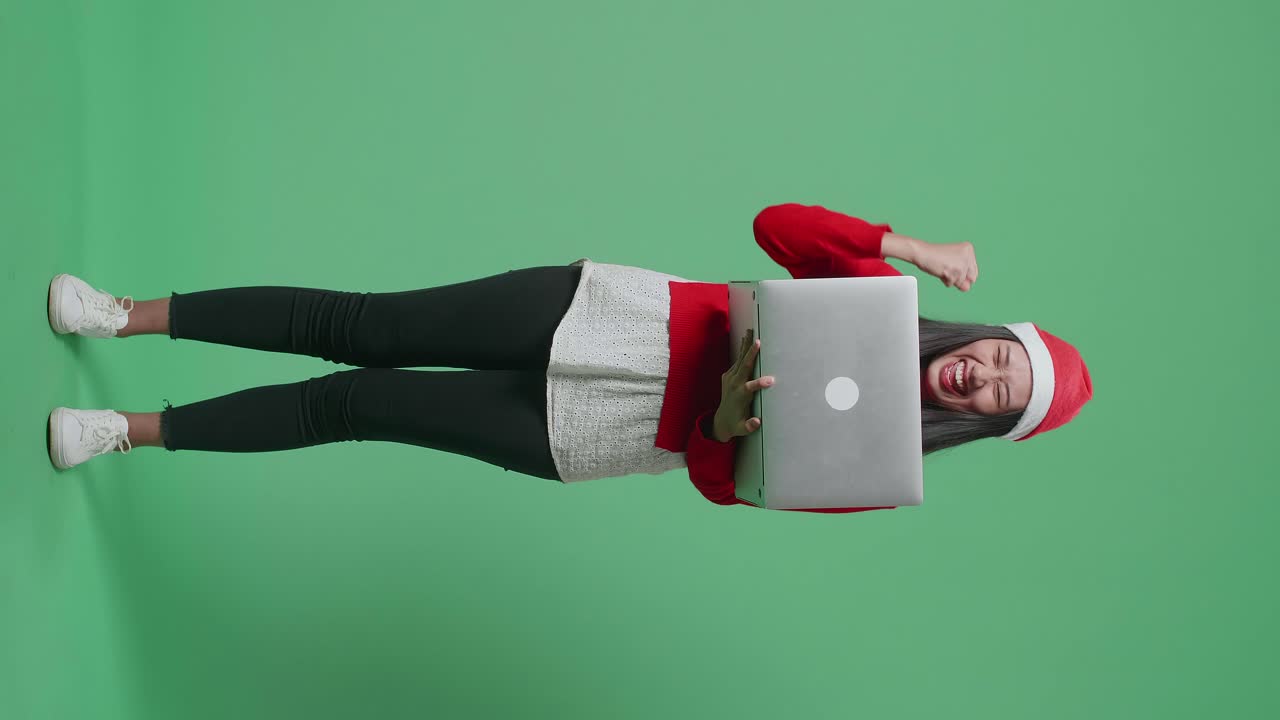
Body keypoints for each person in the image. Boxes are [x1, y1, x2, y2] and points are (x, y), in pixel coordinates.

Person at [46, 203, 1093, 514]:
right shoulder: (876, 297)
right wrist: (906, 246)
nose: (982, 379)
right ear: (990, 338)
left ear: (987, 421)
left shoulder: (881, 469)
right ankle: (122, 316)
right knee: (359, 324)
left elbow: (722, 486)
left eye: (1000, 399)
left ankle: (126, 434)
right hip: (605, 315)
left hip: (599, 433)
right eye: (1000, 359)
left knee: (355, 406)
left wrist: (723, 423)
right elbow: (777, 225)